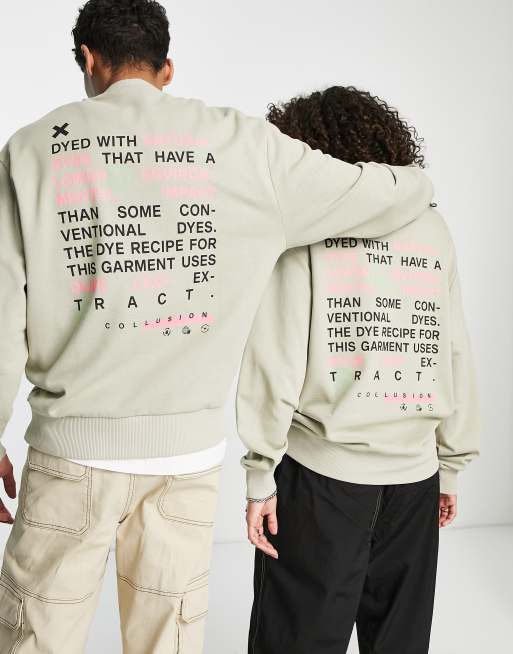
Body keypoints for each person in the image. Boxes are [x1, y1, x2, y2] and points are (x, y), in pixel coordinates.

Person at [0, 0, 433, 651]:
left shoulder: (31, 151)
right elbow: (396, 191)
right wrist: (410, 187)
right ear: (167, 68)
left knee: (36, 637)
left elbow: (3, 314)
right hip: (186, 459)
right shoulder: (245, 147)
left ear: (88, 60)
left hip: (70, 452)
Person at [237, 86, 480, 654]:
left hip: (322, 481)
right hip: (415, 481)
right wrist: (449, 464)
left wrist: (259, 473)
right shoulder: (432, 229)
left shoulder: (304, 233)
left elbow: (276, 358)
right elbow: (453, 349)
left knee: (294, 641)